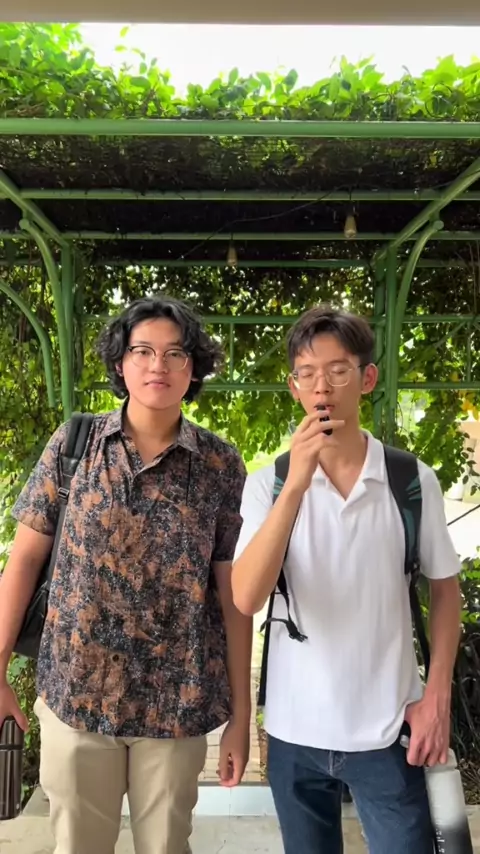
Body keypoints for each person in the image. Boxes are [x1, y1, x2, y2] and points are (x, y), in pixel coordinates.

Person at [0, 296, 252, 854]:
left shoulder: (220, 465)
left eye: (175, 353)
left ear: (193, 368)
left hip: (176, 705)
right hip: (76, 696)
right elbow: (23, 561)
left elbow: (234, 596)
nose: (158, 365)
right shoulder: (75, 445)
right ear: (121, 363)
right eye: (142, 351)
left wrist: (241, 715)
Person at [232, 304, 461, 854]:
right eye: (308, 373)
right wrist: (296, 485)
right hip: (294, 733)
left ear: (368, 378)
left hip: (387, 728)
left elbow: (444, 589)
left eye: (338, 370)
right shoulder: (269, 484)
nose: (323, 387)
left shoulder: (409, 480)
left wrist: (437, 697)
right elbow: (246, 595)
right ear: (293, 387)